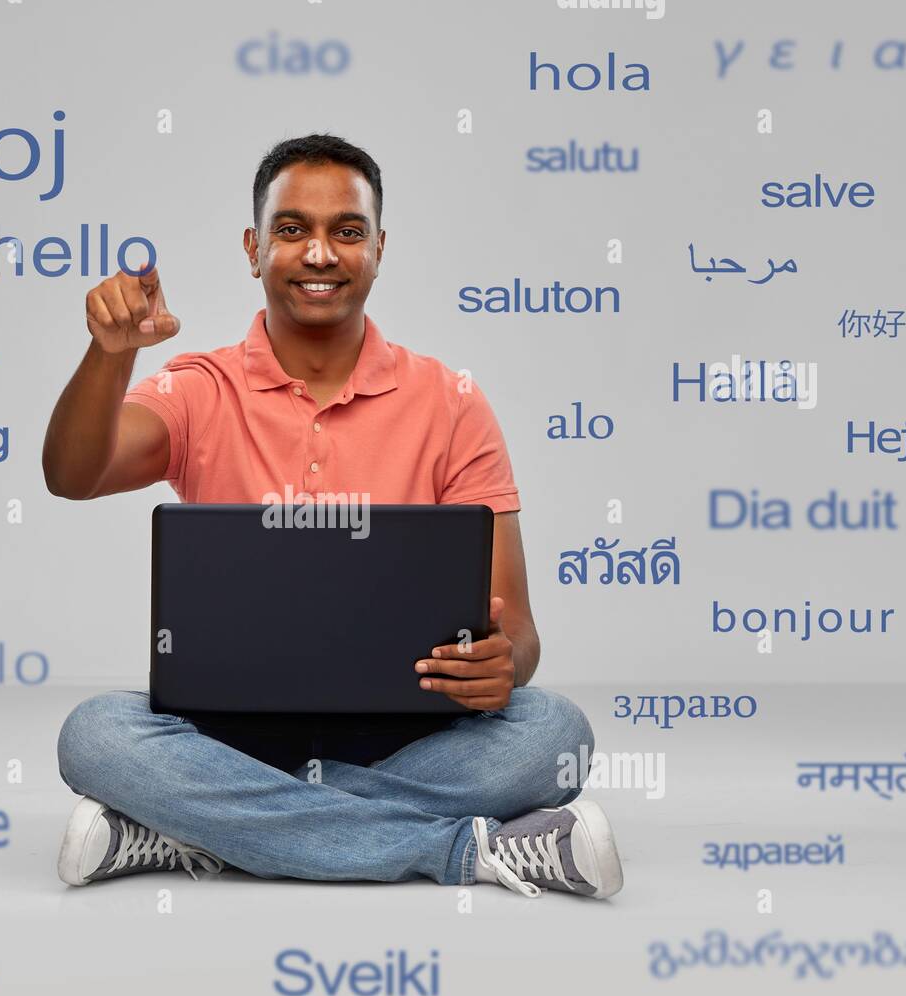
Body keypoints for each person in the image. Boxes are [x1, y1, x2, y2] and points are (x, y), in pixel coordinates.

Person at [41, 134, 623, 900]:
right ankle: (462, 851)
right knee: (95, 733)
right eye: (292, 230)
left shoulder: (451, 402)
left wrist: (502, 666)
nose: (320, 252)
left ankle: (199, 829)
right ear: (254, 249)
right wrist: (111, 352)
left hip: (406, 731)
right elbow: (71, 475)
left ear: (379, 249)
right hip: (231, 730)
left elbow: (519, 633)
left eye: (346, 231)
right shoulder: (198, 389)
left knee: (554, 734)